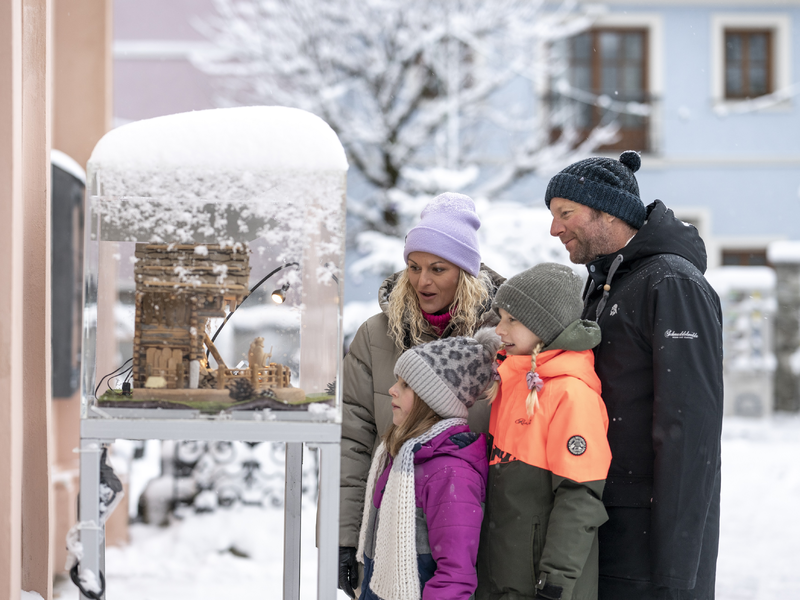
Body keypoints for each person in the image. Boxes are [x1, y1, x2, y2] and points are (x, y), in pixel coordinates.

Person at [546, 151, 724, 600]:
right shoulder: (605, 281)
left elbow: (690, 431)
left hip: (647, 549)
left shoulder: (672, 284)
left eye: (565, 213)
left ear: (609, 212)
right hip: (606, 525)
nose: (554, 229)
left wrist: (676, 573)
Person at [339, 192, 505, 598]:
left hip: (476, 534)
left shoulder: (504, 337)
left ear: (465, 272)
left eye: (438, 269)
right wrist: (344, 538)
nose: (422, 281)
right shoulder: (375, 337)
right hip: (389, 539)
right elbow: (352, 442)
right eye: (413, 267)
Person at [476, 263, 612, 600]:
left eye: (512, 320)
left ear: (544, 326)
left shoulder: (571, 394)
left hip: (540, 585)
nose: (500, 330)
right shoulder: (509, 381)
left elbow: (579, 497)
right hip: (500, 578)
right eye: (500, 318)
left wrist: (555, 582)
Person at [357, 333, 499, 600]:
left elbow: (455, 576)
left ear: (430, 401)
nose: (392, 389)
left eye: (406, 385)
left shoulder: (450, 474)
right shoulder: (402, 457)